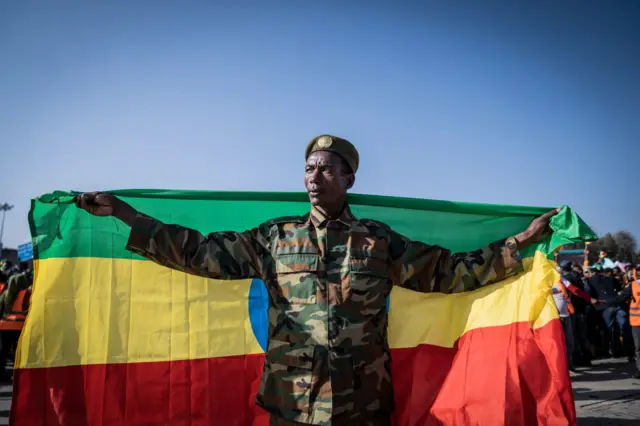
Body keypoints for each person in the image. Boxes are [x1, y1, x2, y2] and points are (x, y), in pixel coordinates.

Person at [76, 135, 559, 426]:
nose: (314, 176)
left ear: (348, 179)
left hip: (363, 405)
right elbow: (200, 254)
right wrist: (124, 215)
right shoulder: (274, 238)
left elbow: (450, 273)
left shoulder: (377, 241)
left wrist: (519, 243)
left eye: (326, 168)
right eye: (308, 168)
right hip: (293, 402)